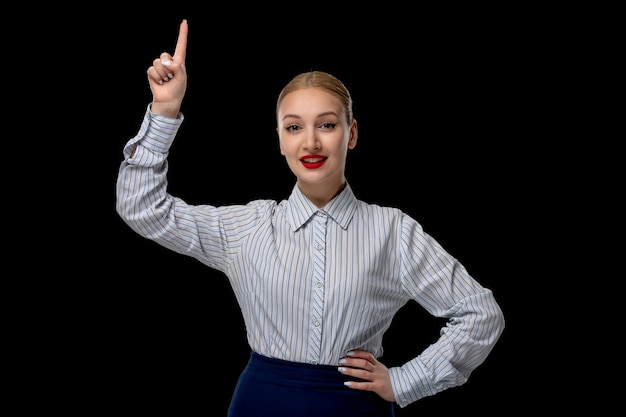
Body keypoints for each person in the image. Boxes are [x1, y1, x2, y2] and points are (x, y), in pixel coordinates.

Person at [116, 19, 505, 417]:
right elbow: (143, 209)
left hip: (356, 410)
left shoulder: (393, 232)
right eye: (294, 127)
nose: (311, 142)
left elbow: (480, 314)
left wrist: (406, 381)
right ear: (280, 140)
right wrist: (164, 110)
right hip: (260, 405)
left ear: (351, 134)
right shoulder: (246, 227)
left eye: (327, 125)